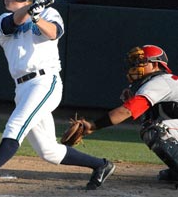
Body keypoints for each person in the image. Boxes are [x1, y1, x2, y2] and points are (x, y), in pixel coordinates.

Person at [0, 0, 115, 190]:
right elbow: (14, 23)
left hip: (44, 82)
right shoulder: (2, 19)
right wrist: (31, 9)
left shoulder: (49, 13)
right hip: (22, 88)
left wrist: (37, 15)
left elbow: (54, 32)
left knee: (15, 126)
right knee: (48, 151)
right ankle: (101, 165)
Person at [72, 44, 178, 183]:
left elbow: (126, 111)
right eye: (135, 63)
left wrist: (93, 125)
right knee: (151, 125)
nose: (135, 66)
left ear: (155, 65)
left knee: (157, 130)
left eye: (141, 62)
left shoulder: (160, 81)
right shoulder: (160, 82)